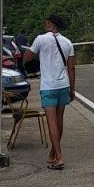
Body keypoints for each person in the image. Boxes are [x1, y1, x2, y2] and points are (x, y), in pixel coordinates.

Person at [21, 14, 75, 170]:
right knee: (59, 121)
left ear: (51, 24)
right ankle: (53, 153)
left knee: (51, 122)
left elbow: (27, 58)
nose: (45, 24)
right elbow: (71, 68)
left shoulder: (41, 39)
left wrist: (34, 52)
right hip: (63, 85)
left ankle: (59, 157)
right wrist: (72, 89)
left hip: (48, 86)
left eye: (47, 23)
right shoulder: (68, 42)